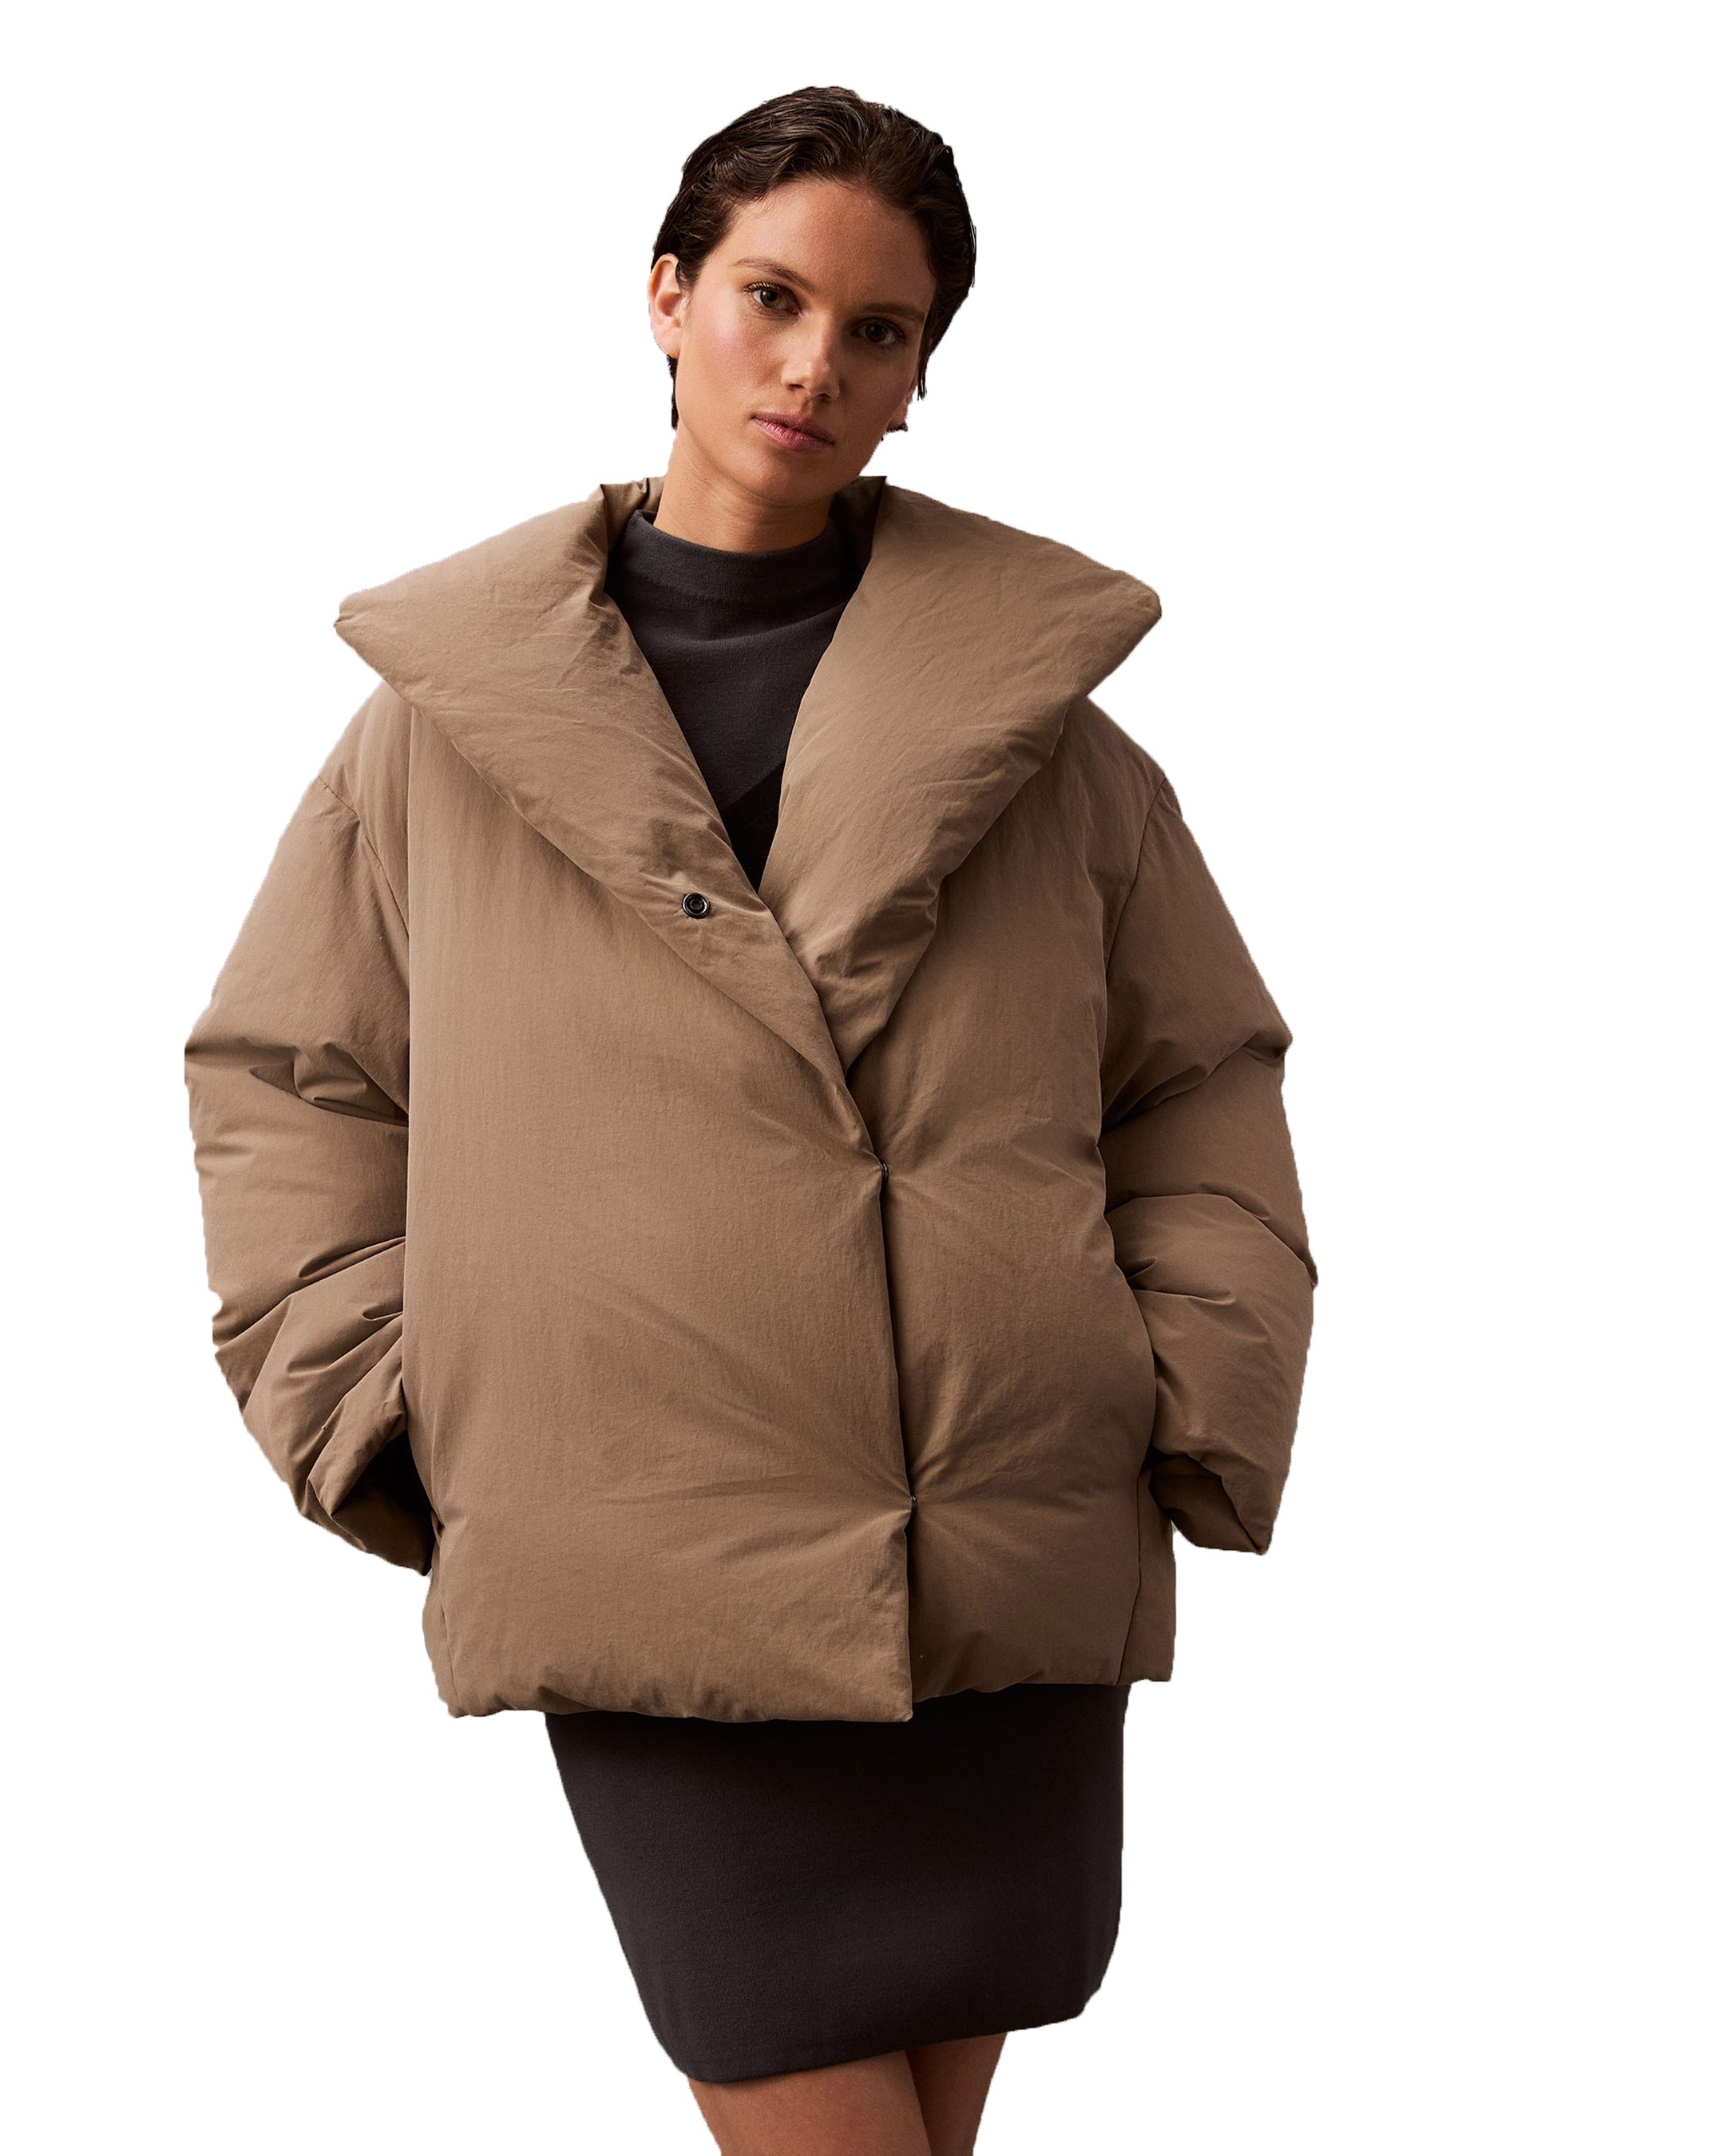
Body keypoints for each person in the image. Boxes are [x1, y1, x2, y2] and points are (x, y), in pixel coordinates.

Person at [184, 85, 1315, 2156]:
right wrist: (399, 1406)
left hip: (994, 1540)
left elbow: (1196, 1079)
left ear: (920, 376)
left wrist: (1169, 1383)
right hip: (650, 1543)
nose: (812, 366)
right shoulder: (438, 734)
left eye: (878, 330)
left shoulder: (1049, 742)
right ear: (667, 297)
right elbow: (290, 1077)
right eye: (771, 298)